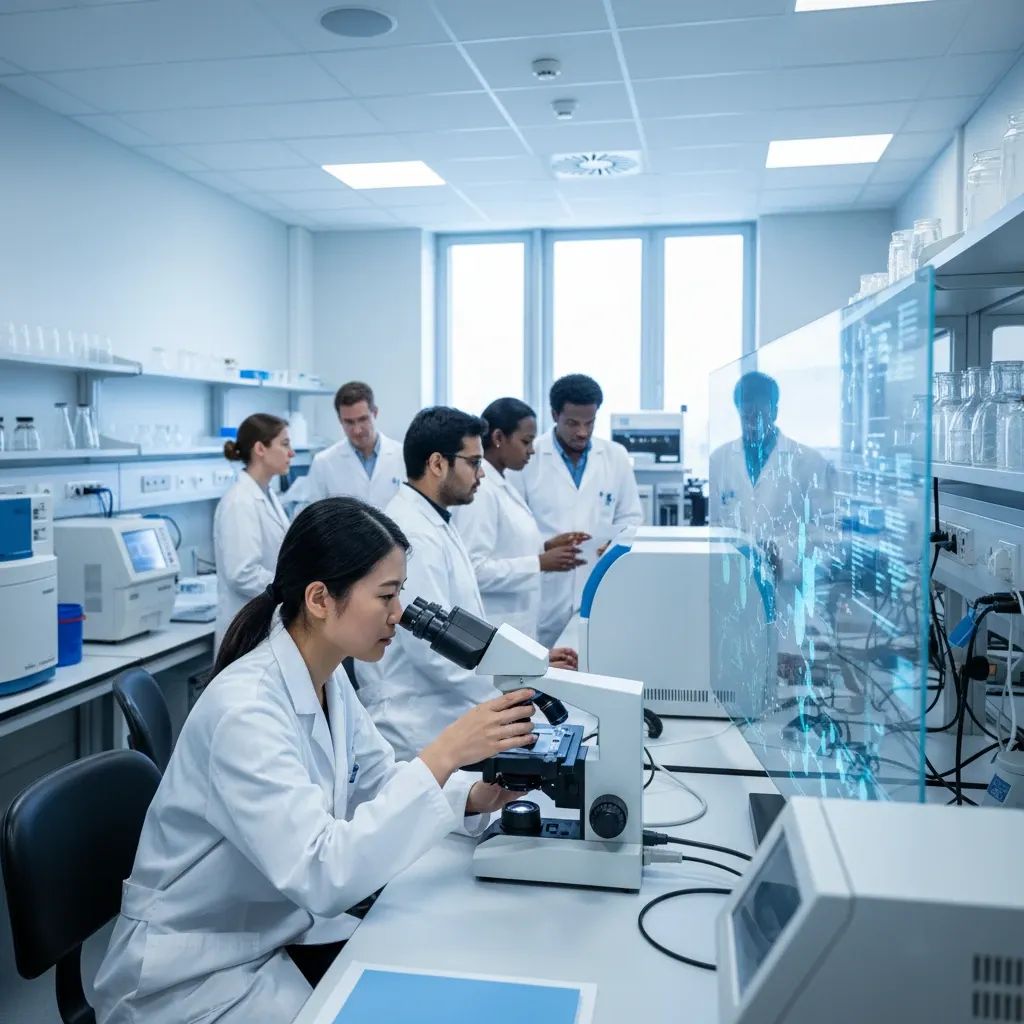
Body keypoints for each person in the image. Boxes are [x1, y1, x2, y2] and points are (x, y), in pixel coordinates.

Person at [93, 497, 536, 1024]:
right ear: (321, 599)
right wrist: (445, 752)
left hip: (267, 935)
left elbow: (376, 780)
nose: (399, 616)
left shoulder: (327, 678)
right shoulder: (246, 711)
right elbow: (324, 874)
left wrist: (472, 795)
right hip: (192, 974)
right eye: (387, 596)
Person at [357, 407, 574, 761]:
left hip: (441, 714)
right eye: (473, 462)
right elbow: (431, 649)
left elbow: (463, 624)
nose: (482, 473)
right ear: (438, 464)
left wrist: (523, 661)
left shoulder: (434, 520)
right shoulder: (413, 534)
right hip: (418, 721)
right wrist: (512, 680)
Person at [510, 375, 643, 648]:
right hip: (544, 591)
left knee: (595, 661)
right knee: (538, 674)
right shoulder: (529, 456)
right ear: (555, 415)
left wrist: (613, 544)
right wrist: (543, 549)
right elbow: (515, 525)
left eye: (589, 422)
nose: (582, 432)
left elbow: (631, 517)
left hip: (599, 582)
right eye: (572, 423)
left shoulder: (615, 456)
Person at [454, 397, 588, 652]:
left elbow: (505, 546)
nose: (532, 450)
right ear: (498, 437)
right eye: (526, 441)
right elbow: (474, 570)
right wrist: (539, 563)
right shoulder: (482, 492)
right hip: (495, 627)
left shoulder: (502, 483)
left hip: (515, 628)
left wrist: (546, 546)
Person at [709, 370, 834, 584]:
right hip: (736, 586)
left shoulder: (810, 462)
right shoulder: (719, 460)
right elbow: (715, 528)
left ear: (774, 411)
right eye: (746, 416)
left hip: (788, 586)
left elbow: (827, 537)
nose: (752, 424)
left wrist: (786, 560)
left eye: (759, 416)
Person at [213, 413, 293, 652]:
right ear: (260, 448)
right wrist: (292, 588)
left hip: (265, 624)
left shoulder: (266, 495)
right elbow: (242, 574)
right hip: (246, 631)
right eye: (285, 444)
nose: (292, 453)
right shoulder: (239, 501)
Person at [301, 381, 404, 510]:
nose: (357, 430)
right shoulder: (323, 462)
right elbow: (312, 514)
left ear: (375, 413)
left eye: (363, 419)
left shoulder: (402, 456)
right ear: (340, 420)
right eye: (349, 422)